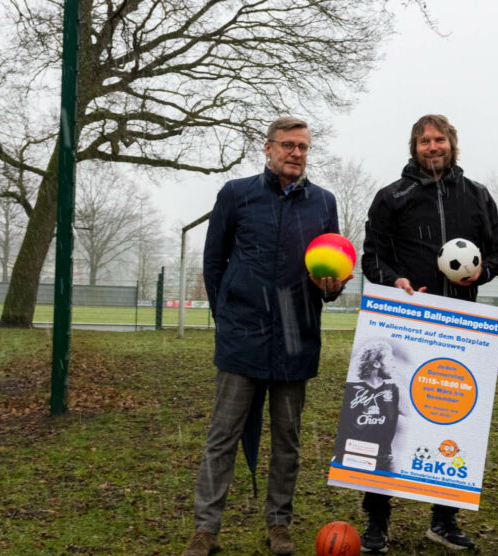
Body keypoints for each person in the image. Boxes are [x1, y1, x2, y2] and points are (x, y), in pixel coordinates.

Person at [181, 117, 350, 556]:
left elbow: (330, 266)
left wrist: (334, 288)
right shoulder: (237, 194)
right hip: (243, 339)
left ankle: (279, 524)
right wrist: (229, 318)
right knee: (222, 436)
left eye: (304, 147)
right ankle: (206, 530)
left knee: (287, 441)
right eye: (289, 145)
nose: (297, 153)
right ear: (268, 149)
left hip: (297, 339)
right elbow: (213, 264)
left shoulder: (324, 203)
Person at [359, 114, 498, 552]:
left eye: (439, 139)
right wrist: (396, 281)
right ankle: (377, 519)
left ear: (452, 143)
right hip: (406, 324)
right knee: (388, 417)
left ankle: (443, 518)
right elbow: (372, 259)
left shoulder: (477, 196)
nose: (432, 146)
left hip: (461, 328)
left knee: (451, 416)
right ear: (414, 147)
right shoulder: (392, 197)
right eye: (424, 140)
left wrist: (477, 276)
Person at [332, 340, 408, 472]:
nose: (394, 365)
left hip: (382, 462)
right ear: (377, 363)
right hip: (349, 458)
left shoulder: (394, 389)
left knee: (379, 492)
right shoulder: (350, 389)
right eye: (390, 359)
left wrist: (400, 384)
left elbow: (408, 411)